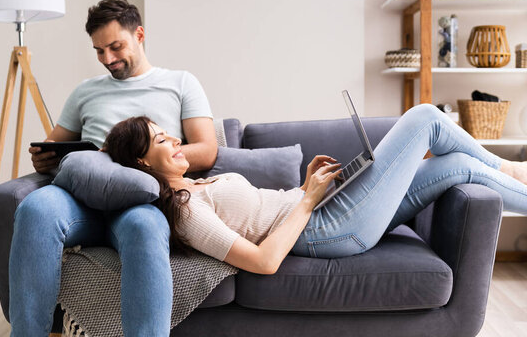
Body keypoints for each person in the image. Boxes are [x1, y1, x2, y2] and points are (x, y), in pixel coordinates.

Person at [103, 104, 527, 277]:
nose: (176, 141)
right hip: (327, 230)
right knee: (424, 117)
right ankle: (514, 168)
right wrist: (307, 200)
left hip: (327, 210)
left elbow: (267, 211)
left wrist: (305, 189)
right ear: (141, 162)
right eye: (162, 142)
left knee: (450, 164)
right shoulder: (187, 212)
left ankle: (516, 176)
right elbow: (264, 261)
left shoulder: (197, 184)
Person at [9, 0, 217, 337]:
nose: (108, 59)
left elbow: (207, 150)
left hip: (140, 202)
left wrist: (135, 164)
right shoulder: (85, 91)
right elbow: (52, 143)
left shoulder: (180, 83)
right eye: (99, 51)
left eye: (116, 46)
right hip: (81, 201)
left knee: (146, 228)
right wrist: (42, 158)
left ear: (139, 35)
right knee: (36, 207)